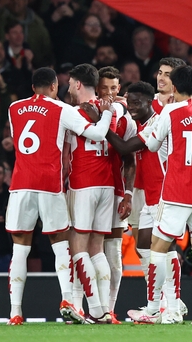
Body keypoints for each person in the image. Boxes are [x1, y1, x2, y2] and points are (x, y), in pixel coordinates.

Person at [5, 67, 113, 325]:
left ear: (33, 87)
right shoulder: (62, 109)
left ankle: (15, 312)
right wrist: (107, 113)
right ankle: (67, 300)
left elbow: (18, 140)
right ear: (54, 86)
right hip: (49, 185)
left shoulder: (14, 108)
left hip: (20, 185)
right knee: (60, 244)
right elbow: (97, 134)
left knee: (19, 249)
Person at [126, 65, 192, 324]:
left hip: (175, 194)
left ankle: (152, 309)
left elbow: (151, 144)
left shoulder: (170, 111)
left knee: (157, 250)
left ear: (174, 86)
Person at [102, 81, 187, 324]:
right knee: (146, 247)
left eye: (138, 103)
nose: (133, 107)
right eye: (130, 102)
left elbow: (125, 147)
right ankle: (156, 307)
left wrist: (101, 123)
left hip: (164, 195)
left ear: (151, 102)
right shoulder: (143, 123)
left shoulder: (158, 122)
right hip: (150, 196)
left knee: (165, 249)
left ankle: (173, 306)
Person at [64, 64, 121, 324]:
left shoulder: (74, 113)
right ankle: (103, 308)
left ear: (77, 84)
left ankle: (95, 309)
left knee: (78, 247)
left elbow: (66, 155)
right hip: (107, 184)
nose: (68, 89)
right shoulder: (113, 109)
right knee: (97, 249)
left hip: (83, 183)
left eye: (69, 84)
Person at [96, 66, 136, 323]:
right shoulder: (85, 114)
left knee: (113, 256)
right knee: (85, 251)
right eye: (105, 88)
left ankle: (109, 309)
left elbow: (130, 160)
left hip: (116, 191)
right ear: (96, 88)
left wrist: (129, 194)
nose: (109, 93)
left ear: (119, 89)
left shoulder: (125, 120)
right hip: (85, 189)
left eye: (114, 88)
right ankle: (87, 307)